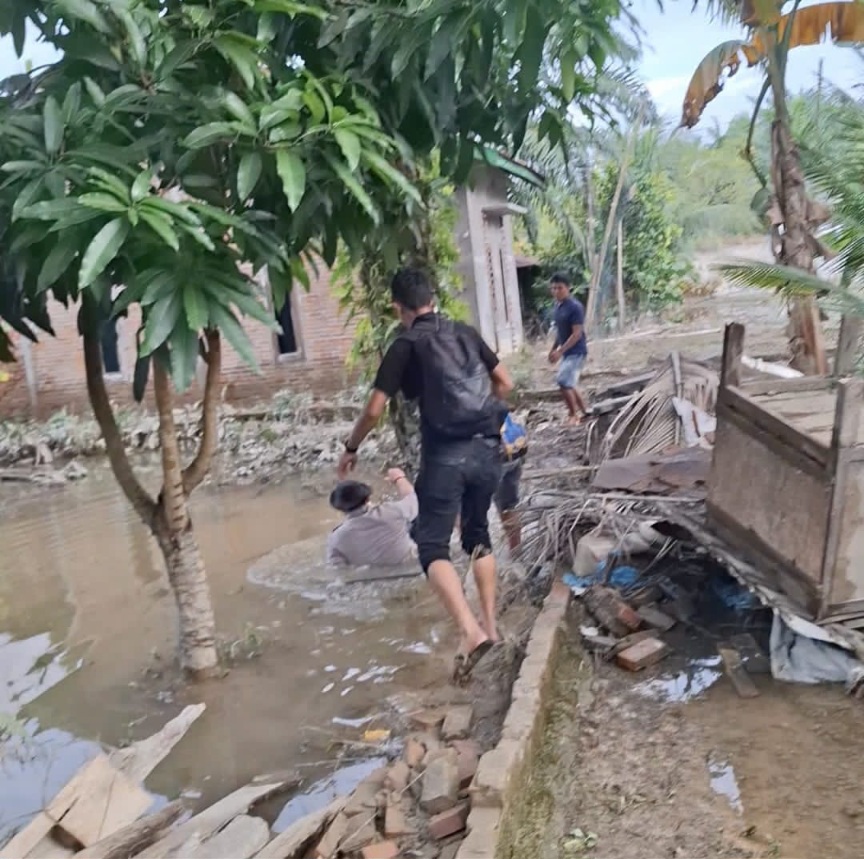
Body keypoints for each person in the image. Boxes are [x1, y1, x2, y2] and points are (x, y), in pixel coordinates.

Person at [338, 268, 514, 679]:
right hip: (489, 451)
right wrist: (483, 415)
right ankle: (491, 627)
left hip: (446, 457)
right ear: (433, 299)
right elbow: (504, 381)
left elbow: (374, 410)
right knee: (478, 536)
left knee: (431, 545)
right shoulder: (466, 332)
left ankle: (470, 632)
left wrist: (350, 447)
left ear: (399, 308)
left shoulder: (405, 343)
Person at [326, 468, 418, 568]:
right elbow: (413, 500)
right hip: (411, 567)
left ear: (340, 508)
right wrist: (399, 478)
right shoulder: (392, 511)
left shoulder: (336, 537)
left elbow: (337, 568)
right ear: (367, 499)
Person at [548, 272, 590, 425]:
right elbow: (560, 332)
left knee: (563, 381)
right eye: (553, 288)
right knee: (569, 383)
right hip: (567, 351)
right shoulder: (558, 306)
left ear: (568, 288)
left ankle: (573, 415)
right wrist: (553, 349)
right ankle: (585, 411)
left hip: (577, 350)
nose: (556, 291)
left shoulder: (575, 307)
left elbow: (577, 334)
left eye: (560, 288)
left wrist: (560, 351)